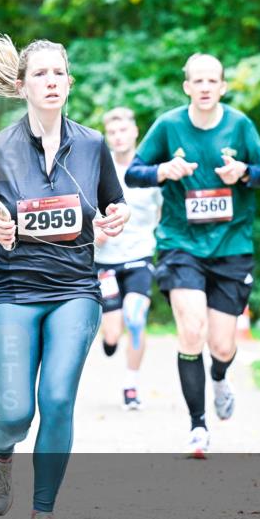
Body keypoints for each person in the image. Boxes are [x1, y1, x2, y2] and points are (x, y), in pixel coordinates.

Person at [0, 33, 130, 519]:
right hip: (9, 288)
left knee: (56, 399)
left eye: (58, 73)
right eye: (40, 74)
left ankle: (43, 518)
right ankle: (1, 452)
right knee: (14, 414)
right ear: (22, 85)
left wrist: (117, 216)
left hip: (74, 287)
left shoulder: (92, 145)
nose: (51, 82)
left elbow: (114, 203)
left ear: (69, 82)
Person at [125, 53, 260, 458]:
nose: (205, 87)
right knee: (192, 331)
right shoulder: (169, 125)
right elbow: (133, 173)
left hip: (231, 246)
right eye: (198, 81)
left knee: (222, 346)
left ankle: (220, 376)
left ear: (222, 87)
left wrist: (243, 172)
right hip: (181, 243)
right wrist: (162, 171)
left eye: (212, 81)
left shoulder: (240, 125)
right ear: (187, 86)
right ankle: (197, 426)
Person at [93, 107, 162, 411]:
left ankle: (131, 385)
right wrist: (95, 230)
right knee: (112, 332)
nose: (119, 137)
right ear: (107, 137)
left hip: (139, 256)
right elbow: (84, 208)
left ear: (135, 133)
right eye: (112, 133)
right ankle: (109, 339)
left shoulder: (149, 172)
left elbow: (162, 212)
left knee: (135, 317)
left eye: (123, 131)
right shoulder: (98, 169)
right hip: (105, 261)